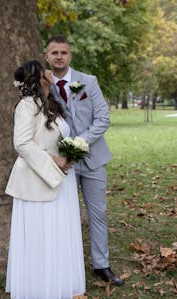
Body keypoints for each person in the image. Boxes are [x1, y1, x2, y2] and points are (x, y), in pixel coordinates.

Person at [45, 35, 123, 286]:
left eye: (63, 52)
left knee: (98, 213)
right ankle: (65, 265)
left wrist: (77, 146)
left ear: (70, 56)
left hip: (92, 160)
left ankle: (102, 266)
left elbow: (103, 119)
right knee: (63, 216)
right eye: (54, 52)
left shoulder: (88, 81)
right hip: (60, 163)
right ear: (47, 56)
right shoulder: (42, 85)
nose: (59, 56)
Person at [5, 60, 85, 299]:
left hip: (62, 179)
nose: (51, 71)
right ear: (39, 79)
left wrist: (70, 154)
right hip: (38, 178)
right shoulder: (26, 106)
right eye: (46, 70)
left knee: (60, 232)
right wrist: (54, 160)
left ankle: (61, 283)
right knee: (43, 234)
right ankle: (39, 288)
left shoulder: (51, 104)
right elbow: (22, 144)